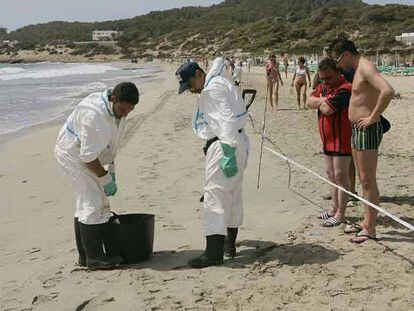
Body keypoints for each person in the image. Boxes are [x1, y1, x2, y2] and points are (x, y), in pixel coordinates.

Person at [54, 82, 140, 269]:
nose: (126, 114)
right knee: (93, 202)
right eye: (124, 109)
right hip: (72, 155)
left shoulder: (117, 109)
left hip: (88, 155)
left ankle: (84, 257)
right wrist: (105, 178)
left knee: (86, 201)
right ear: (114, 99)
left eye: (131, 110)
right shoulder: (95, 117)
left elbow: (110, 145)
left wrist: (111, 170)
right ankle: (94, 258)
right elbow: (88, 157)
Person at [175, 58, 250, 268]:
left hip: (225, 144)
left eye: (189, 84)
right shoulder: (219, 81)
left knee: (214, 198)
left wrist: (227, 151)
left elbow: (226, 120)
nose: (190, 90)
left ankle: (212, 254)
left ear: (199, 74)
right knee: (233, 195)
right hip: (238, 142)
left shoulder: (212, 91)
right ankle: (229, 245)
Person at [330, 39, 395, 243]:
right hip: (358, 129)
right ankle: (366, 222)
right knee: (361, 177)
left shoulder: (366, 68)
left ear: (346, 54)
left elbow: (388, 91)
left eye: (338, 59)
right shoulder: (357, 69)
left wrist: (374, 116)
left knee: (367, 179)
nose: (338, 64)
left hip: (367, 129)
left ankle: (371, 228)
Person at [307, 58, 352, 227]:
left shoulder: (345, 88)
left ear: (337, 73)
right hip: (327, 139)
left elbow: (326, 109)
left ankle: (341, 213)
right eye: (322, 79)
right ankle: (334, 208)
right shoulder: (324, 87)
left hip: (341, 139)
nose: (325, 82)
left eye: (328, 78)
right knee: (331, 175)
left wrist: (321, 101)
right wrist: (322, 99)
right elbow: (309, 101)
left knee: (341, 176)